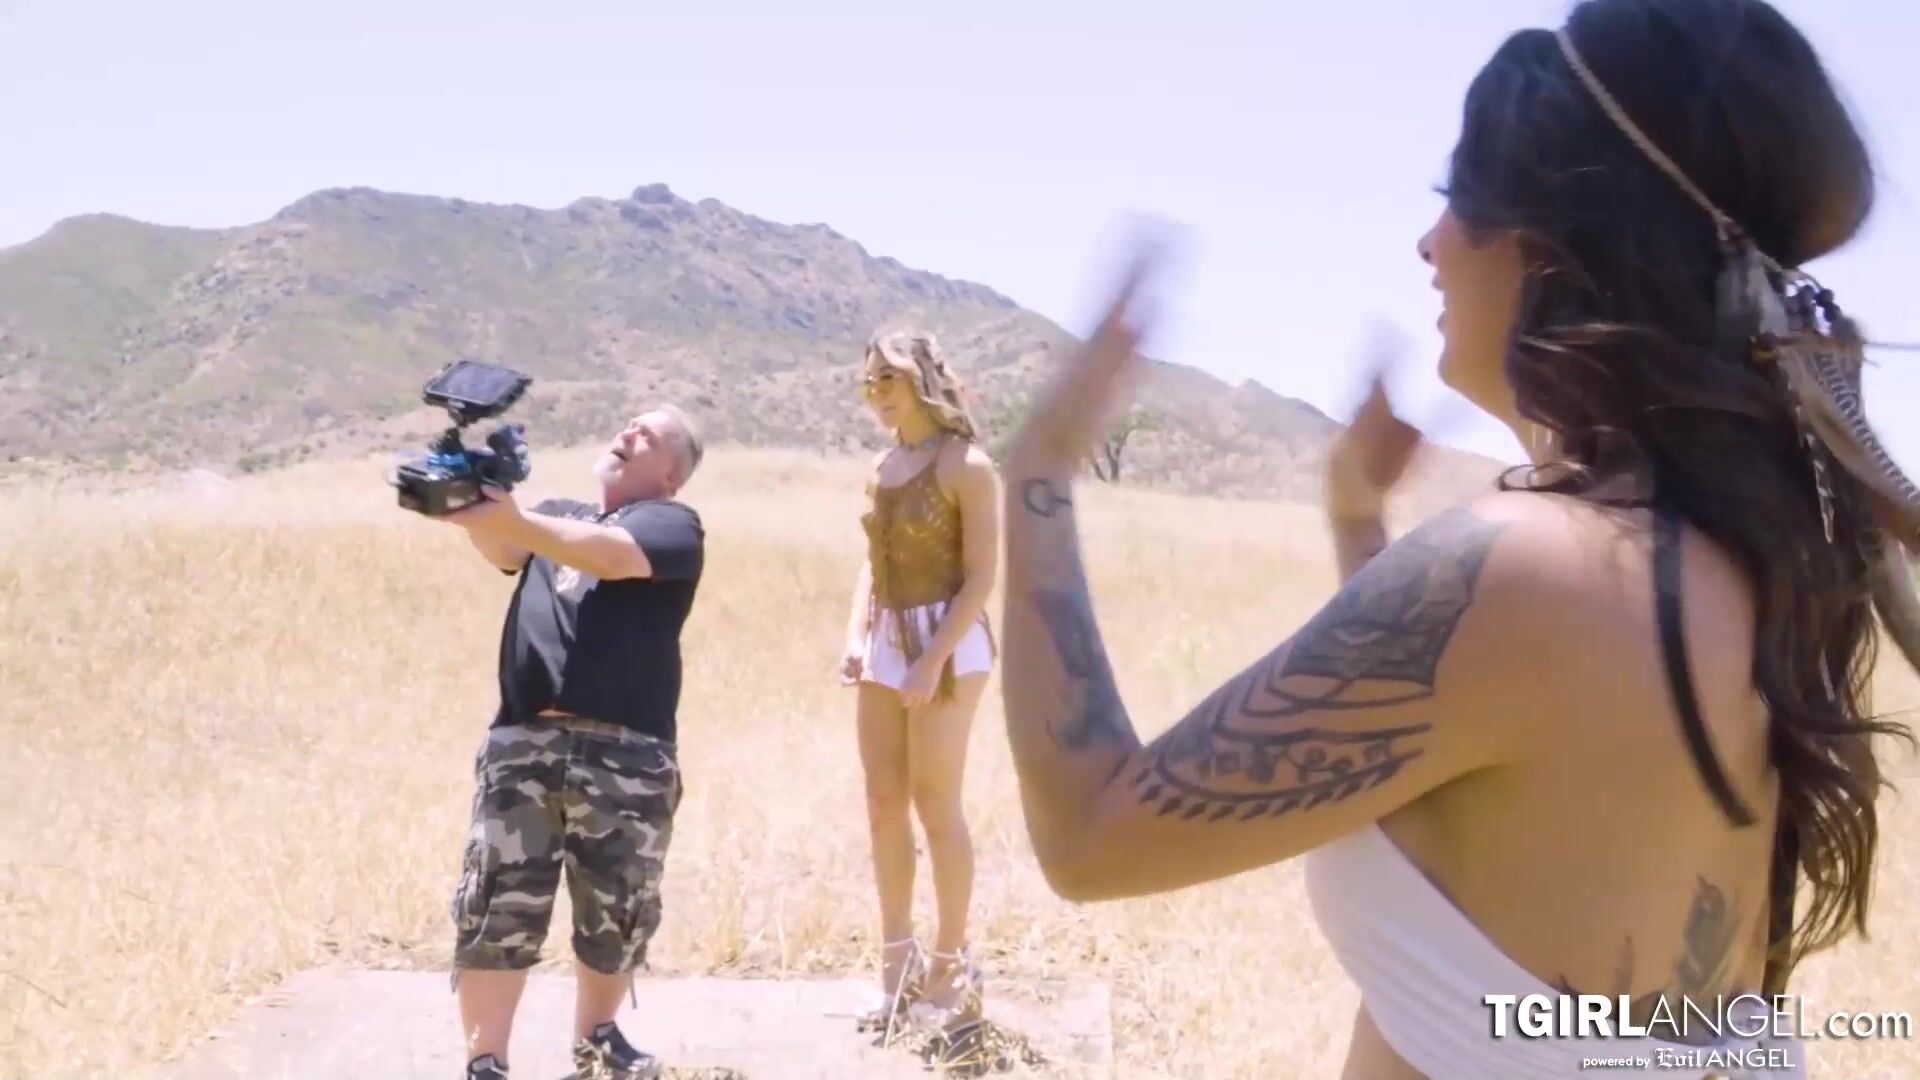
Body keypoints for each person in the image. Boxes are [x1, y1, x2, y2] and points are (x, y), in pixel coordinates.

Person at [995, 2, 1920, 1078]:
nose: (1430, 244)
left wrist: (1038, 473)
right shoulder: (1748, 567)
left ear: (1551, 238)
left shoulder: (1531, 569)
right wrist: (1357, 523)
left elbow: (1092, 833)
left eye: (1458, 196)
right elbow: (1489, 777)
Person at [435, 405, 707, 1080]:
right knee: (496, 902)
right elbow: (505, 550)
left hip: (626, 751)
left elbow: (608, 556)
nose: (628, 433)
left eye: (649, 435)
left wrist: (510, 517)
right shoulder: (556, 515)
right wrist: (474, 501)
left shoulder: (672, 523)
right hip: (524, 738)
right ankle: (486, 1061)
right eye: (628, 424)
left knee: (616, 907)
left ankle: (596, 1045)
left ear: (671, 474)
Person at [838, 329, 1001, 1037]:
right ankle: (895, 964)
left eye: (889, 378)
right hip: (885, 639)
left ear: (923, 380)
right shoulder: (881, 465)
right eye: (869, 380)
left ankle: (950, 966)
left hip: (949, 643)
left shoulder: (968, 466)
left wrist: (932, 659)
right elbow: (872, 562)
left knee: (937, 805)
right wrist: (856, 637)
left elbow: (982, 576)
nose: (876, 392)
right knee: (882, 801)